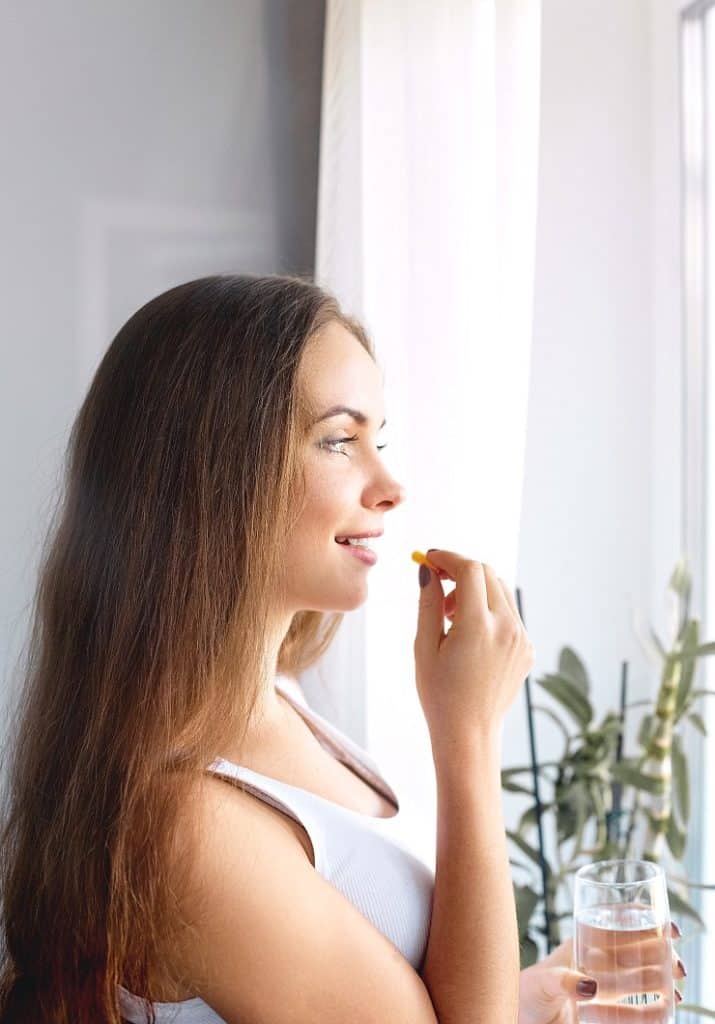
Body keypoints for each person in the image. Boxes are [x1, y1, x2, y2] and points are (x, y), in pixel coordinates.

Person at [0, 274, 685, 1023]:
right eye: (338, 440)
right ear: (214, 476)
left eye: (378, 440)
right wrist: (468, 733)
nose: (389, 485)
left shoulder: (277, 699)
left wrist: (525, 998)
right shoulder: (186, 828)